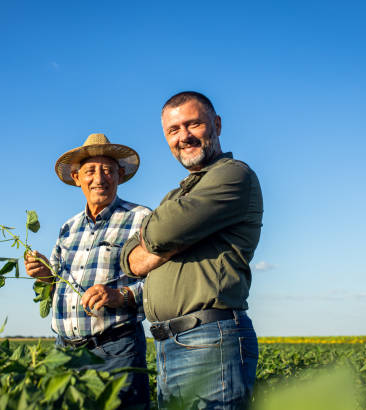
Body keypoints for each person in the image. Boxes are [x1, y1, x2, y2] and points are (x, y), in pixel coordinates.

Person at [120, 92, 263, 409]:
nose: (183, 136)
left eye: (193, 124)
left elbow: (158, 233)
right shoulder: (178, 193)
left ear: (217, 124)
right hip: (169, 344)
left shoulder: (233, 174)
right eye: (173, 130)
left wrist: (161, 238)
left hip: (210, 339)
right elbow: (130, 257)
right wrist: (164, 239)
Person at [25, 133, 151, 408]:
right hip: (65, 351)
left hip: (115, 349)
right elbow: (55, 282)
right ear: (77, 177)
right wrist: (44, 273)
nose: (99, 178)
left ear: (119, 175)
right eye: (91, 171)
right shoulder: (68, 228)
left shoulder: (140, 218)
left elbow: (160, 282)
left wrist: (120, 296)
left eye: (107, 170)